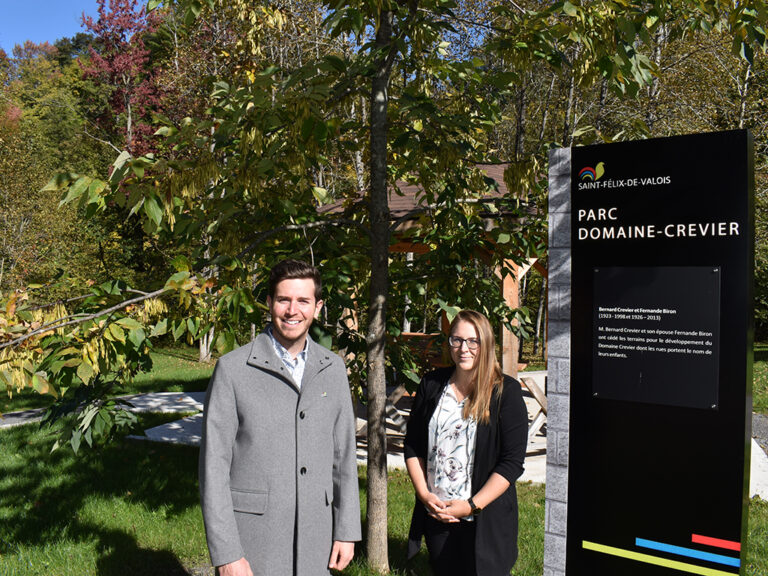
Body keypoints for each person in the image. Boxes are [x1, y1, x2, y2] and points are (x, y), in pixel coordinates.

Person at [199, 259, 361, 576]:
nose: (292, 310)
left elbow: (343, 456)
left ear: (318, 307)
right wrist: (227, 553)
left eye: (303, 301)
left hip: (317, 541)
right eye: (284, 300)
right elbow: (213, 469)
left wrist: (346, 530)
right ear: (270, 302)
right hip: (254, 541)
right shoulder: (232, 370)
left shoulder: (333, 369)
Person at [404, 309, 528, 576]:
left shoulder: (505, 392)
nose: (464, 348)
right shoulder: (431, 385)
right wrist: (424, 495)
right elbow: (413, 444)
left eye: (473, 341)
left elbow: (512, 462)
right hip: (438, 514)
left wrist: (471, 506)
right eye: (457, 340)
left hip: (485, 519)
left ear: (487, 344)